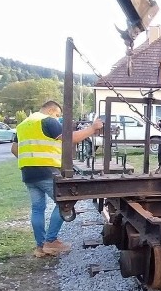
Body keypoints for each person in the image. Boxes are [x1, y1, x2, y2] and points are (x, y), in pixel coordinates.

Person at [11, 100, 103, 258]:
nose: (58, 118)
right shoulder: (47, 120)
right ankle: (51, 241)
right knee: (65, 202)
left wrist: (31, 161)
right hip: (47, 171)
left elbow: (14, 150)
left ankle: (41, 247)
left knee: (37, 209)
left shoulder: (23, 125)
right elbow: (70, 139)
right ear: (52, 111)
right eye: (58, 115)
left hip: (28, 173)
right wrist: (92, 128)